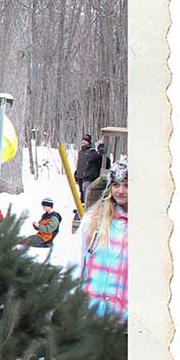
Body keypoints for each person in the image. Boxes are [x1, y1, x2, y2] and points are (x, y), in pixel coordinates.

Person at [79, 158, 128, 321]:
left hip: (124, 316)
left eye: (127, 185)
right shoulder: (94, 220)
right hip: (93, 311)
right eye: (116, 185)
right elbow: (81, 262)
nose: (121, 191)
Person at [74, 133, 100, 204]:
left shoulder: (92, 152)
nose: (84, 142)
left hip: (87, 176)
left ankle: (85, 206)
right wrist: (76, 173)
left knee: (86, 192)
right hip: (80, 176)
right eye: (83, 140)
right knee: (81, 192)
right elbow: (79, 163)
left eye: (86, 140)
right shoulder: (81, 152)